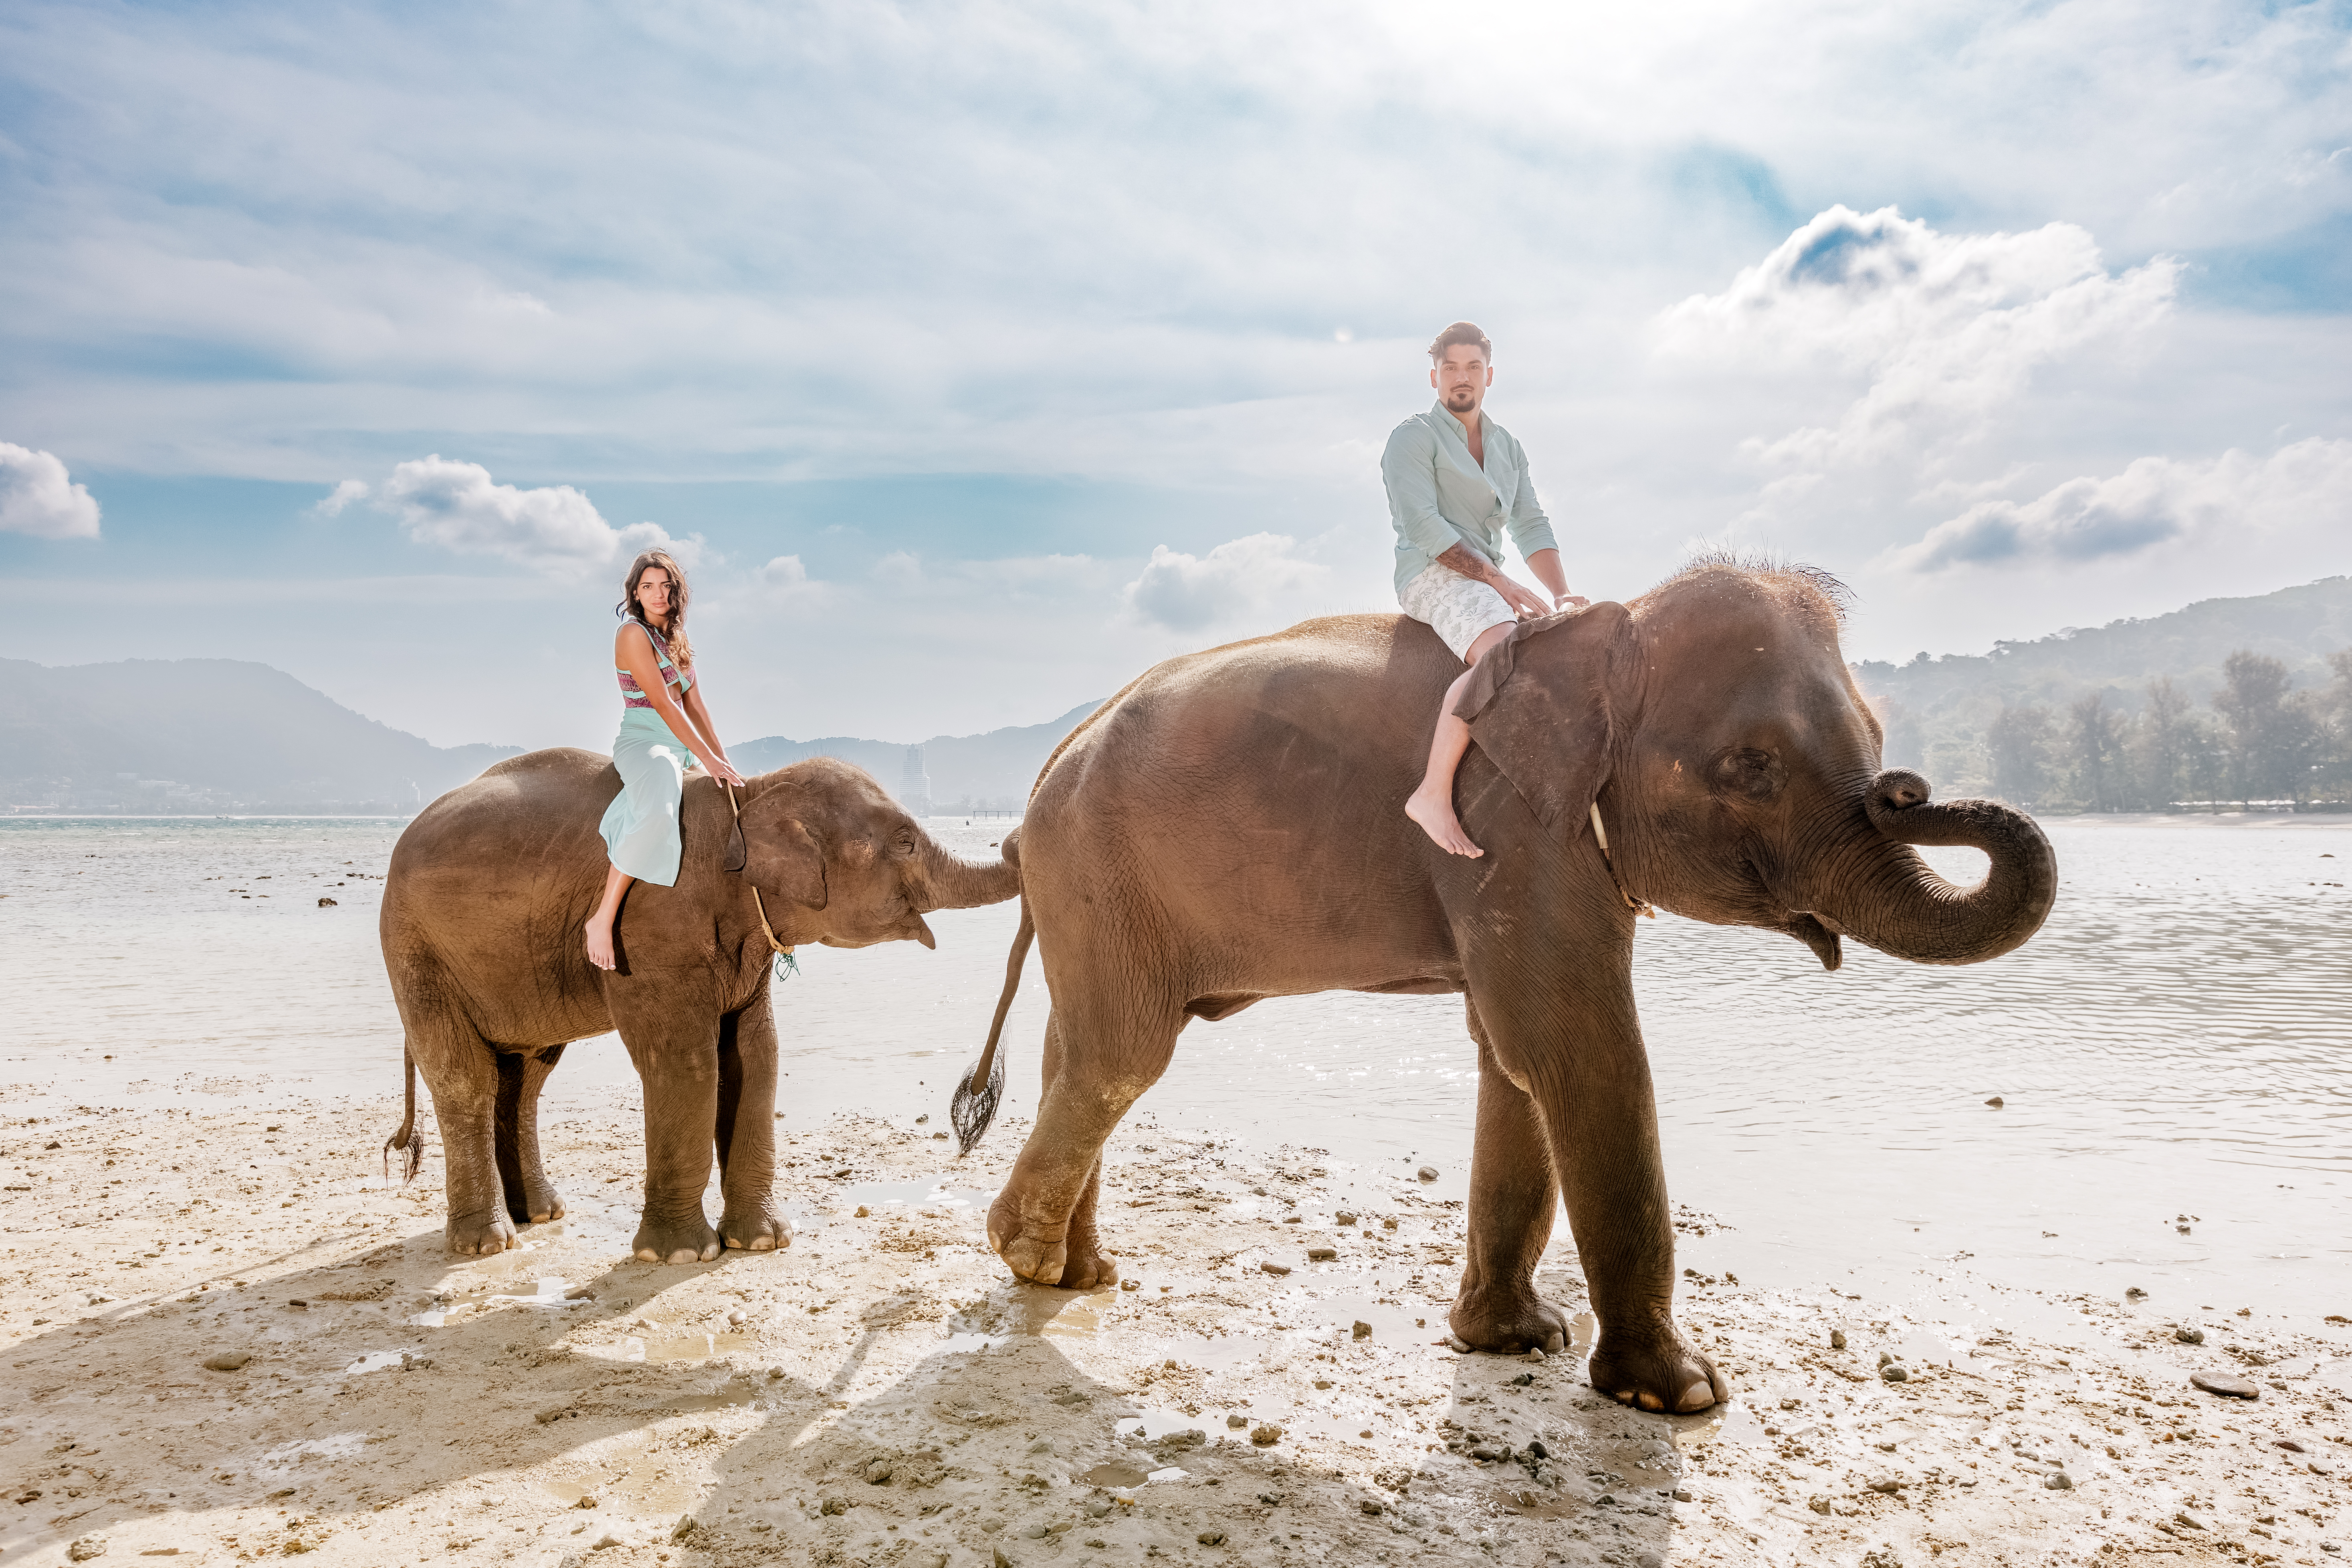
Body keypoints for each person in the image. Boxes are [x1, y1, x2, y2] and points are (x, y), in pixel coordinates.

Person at [1388, 321, 1587, 857]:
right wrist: (1498, 580)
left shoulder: (1507, 447)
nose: (1462, 377)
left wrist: (1561, 593)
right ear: (1434, 377)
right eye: (1450, 367)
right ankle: (1432, 794)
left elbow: (1530, 523)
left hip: (1488, 582)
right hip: (1431, 573)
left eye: (1472, 367)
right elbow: (1425, 527)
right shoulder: (1413, 438)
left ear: (1489, 375)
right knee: (1504, 654)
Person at [585, 549, 746, 970]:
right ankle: (602, 918)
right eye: (648, 586)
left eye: (666, 586)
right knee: (658, 808)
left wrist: (723, 761)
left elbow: (695, 705)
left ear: (677, 592)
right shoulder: (631, 634)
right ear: (635, 593)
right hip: (645, 739)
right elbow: (664, 703)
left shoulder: (678, 638)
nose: (658, 594)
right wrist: (707, 758)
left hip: (682, 743)